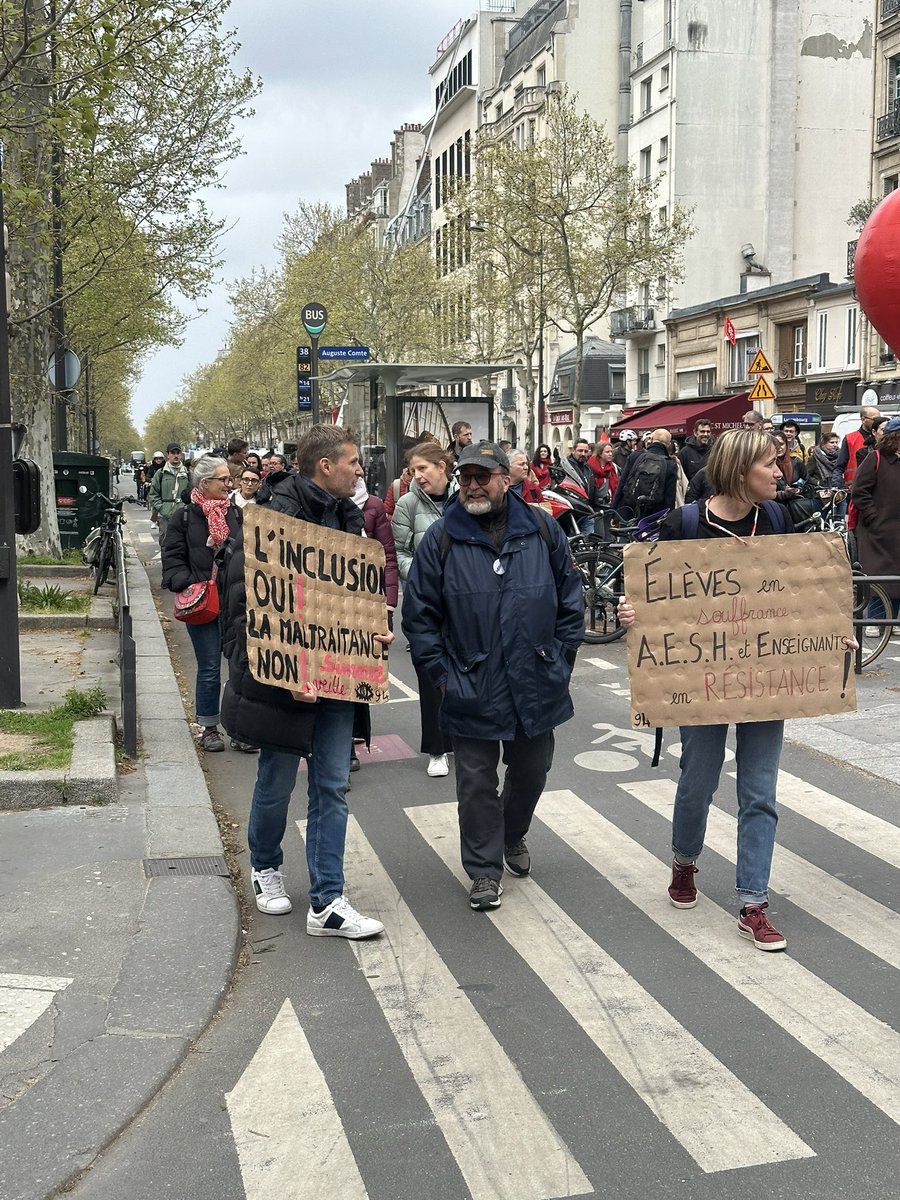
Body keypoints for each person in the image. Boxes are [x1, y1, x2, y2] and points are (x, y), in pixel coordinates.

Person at [618, 429, 825, 952]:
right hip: (700, 683)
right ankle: (685, 860)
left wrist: (829, 630)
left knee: (760, 794)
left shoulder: (776, 519)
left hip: (762, 679)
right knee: (698, 780)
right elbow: (654, 592)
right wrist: (634, 612)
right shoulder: (684, 523)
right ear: (738, 470)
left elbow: (799, 592)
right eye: (769, 465)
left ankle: (753, 902)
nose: (780, 472)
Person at [220, 425, 390, 936]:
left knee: (333, 785)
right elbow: (243, 606)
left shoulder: (350, 518)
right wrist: (285, 672)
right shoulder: (267, 519)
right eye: (354, 461)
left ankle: (327, 902)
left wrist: (372, 633)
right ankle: (266, 867)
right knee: (275, 780)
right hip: (283, 683)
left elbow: (355, 597)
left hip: (338, 679)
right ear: (325, 466)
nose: (361, 470)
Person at [403, 441, 584, 911]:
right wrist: (443, 677)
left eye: (483, 476)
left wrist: (560, 660)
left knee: (532, 771)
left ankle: (512, 834)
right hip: (470, 685)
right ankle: (483, 872)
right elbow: (419, 618)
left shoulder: (543, 529)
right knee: (476, 783)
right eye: (465, 477)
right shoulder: (441, 539)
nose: (472, 485)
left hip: (536, 681)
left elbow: (570, 601)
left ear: (506, 478)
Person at [162, 456, 242, 754]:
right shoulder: (183, 517)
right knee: (209, 666)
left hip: (234, 602)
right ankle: (209, 727)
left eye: (228, 479)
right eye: (223, 479)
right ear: (204, 483)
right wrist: (190, 584)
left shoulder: (235, 512)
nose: (229, 484)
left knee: (239, 666)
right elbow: (172, 562)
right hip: (203, 604)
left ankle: (239, 728)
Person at [391, 441, 457, 778]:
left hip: (465, 602)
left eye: (423, 469)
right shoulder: (406, 504)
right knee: (431, 677)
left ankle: (463, 737)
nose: (417, 476)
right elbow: (399, 552)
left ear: (441, 466)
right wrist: (423, 575)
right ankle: (437, 748)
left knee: (466, 671)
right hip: (427, 602)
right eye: (413, 471)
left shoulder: (465, 498)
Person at [349, 476, 399, 771]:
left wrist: (388, 602)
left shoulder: (374, 506)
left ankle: (355, 731)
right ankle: (343, 748)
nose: (357, 472)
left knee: (360, 667)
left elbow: (387, 556)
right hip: (332, 600)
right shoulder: (324, 504)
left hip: (367, 601)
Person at [851, 415, 900, 630]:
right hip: (877, 531)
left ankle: (894, 620)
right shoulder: (876, 458)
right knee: (878, 575)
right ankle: (874, 620)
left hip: (896, 530)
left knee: (897, 575)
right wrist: (873, 516)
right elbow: (859, 491)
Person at [616, 428, 677, 519]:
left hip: (628, 512)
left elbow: (622, 484)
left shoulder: (635, 456)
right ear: (668, 445)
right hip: (654, 517)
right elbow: (669, 498)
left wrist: (616, 513)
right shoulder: (670, 465)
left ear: (651, 440)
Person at [830, 405, 881, 490]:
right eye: (874, 419)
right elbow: (839, 466)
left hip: (878, 488)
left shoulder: (882, 438)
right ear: (863, 419)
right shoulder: (850, 439)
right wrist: (836, 486)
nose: (878, 422)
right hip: (854, 489)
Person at [148, 443, 189, 545]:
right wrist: (162, 508)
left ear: (181, 455)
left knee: (183, 544)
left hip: (183, 514)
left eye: (178, 453)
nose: (176, 455)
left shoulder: (188, 473)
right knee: (166, 544)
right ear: (168, 455)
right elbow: (153, 494)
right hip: (165, 516)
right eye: (173, 453)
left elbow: (193, 493)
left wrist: (187, 508)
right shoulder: (161, 473)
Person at [562, 438, 599, 534]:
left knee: (589, 541)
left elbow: (592, 487)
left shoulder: (588, 468)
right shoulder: (564, 466)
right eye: (580, 450)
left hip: (586, 510)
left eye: (586, 451)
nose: (583, 454)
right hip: (570, 512)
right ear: (573, 450)